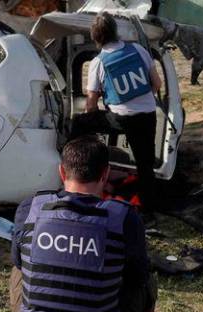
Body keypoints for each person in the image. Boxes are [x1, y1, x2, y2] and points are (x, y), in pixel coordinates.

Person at [8, 135, 157, 312]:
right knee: (148, 283)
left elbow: (18, 260)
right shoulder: (124, 217)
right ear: (106, 174)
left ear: (62, 172)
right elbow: (137, 277)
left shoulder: (31, 208)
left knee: (20, 268)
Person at [71, 12, 163, 224]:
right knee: (145, 163)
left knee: (79, 124)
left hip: (120, 119)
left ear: (95, 37)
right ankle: (148, 212)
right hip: (148, 115)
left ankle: (79, 167)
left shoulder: (98, 62)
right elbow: (157, 84)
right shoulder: (139, 50)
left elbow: (92, 103)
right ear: (115, 31)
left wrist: (90, 117)